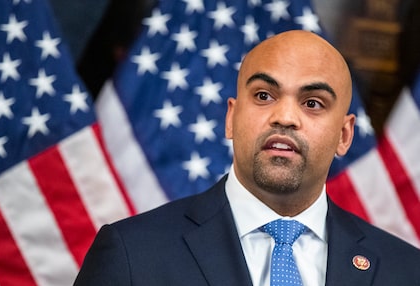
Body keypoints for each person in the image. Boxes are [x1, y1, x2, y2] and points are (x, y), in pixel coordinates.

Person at [74, 30, 420, 285]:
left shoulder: (405, 270)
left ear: (344, 135)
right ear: (231, 118)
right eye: (264, 95)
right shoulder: (132, 254)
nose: (285, 117)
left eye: (312, 102)